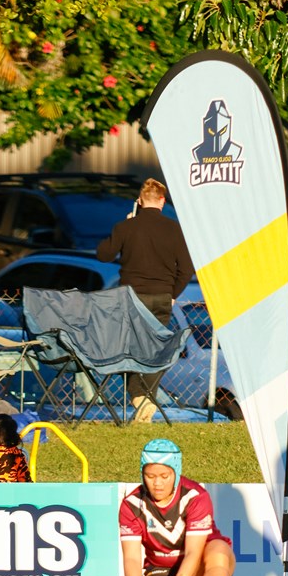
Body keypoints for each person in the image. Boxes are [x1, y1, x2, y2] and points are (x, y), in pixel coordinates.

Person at [96, 178, 193, 422]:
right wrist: (173, 294)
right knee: (156, 350)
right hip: (161, 297)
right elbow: (186, 269)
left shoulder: (125, 227)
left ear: (139, 201)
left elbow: (104, 255)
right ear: (162, 201)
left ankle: (139, 396)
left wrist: (126, 225)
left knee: (128, 349)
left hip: (131, 297)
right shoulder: (175, 229)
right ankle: (145, 397)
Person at [119, 438, 235, 576]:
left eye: (164, 476)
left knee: (219, 550)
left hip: (200, 563)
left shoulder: (196, 497)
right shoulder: (131, 504)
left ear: (176, 472)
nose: (157, 483)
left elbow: (193, 553)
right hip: (162, 568)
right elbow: (131, 557)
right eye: (150, 476)